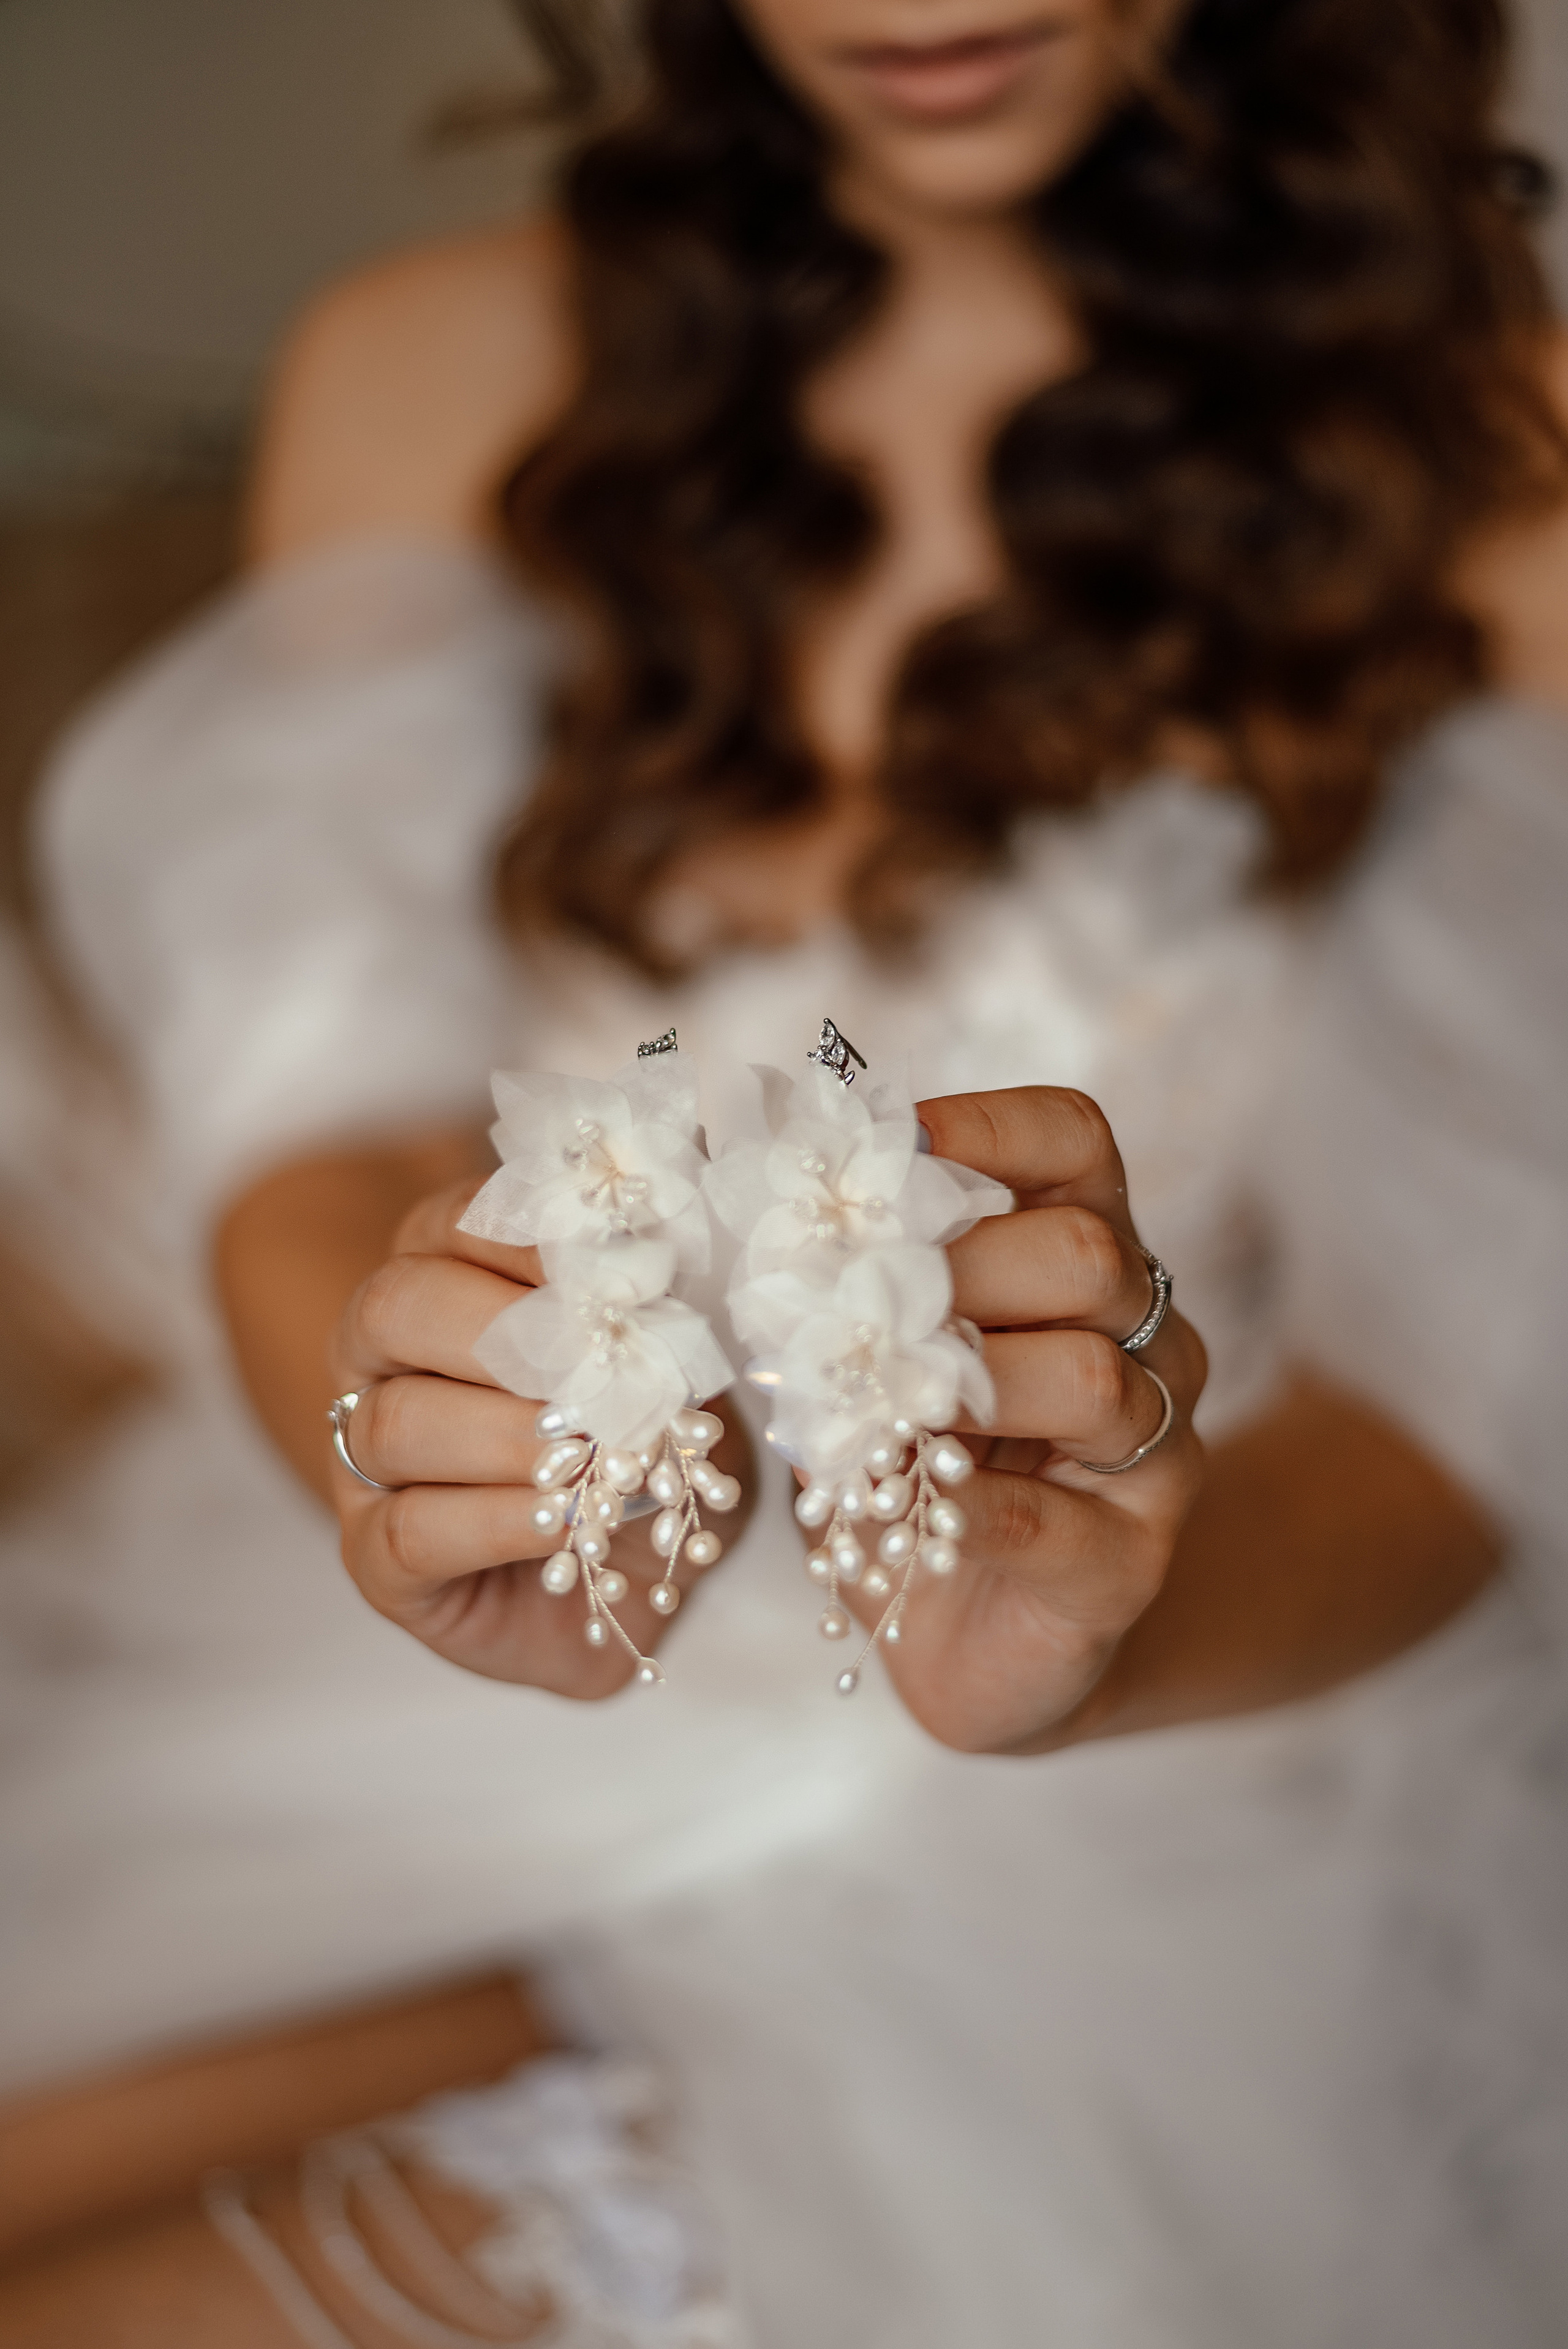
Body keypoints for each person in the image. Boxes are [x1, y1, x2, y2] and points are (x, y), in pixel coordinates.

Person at [6, 0, 1568, 2340]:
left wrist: (1082, 1636)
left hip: (1142, 1814)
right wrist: (438, 1460)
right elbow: (320, 1142)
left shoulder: (1521, 477)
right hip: (407, 1701)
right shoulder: (433, 372)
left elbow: (1456, 1423)